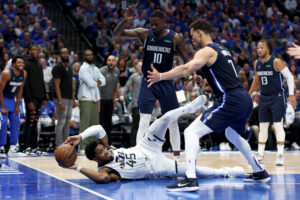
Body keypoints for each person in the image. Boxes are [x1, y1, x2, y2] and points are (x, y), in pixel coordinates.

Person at [147, 20, 269, 192]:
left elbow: (186, 69)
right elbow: (217, 72)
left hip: (230, 99)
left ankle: (190, 178)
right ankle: (259, 171)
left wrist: (160, 76)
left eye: (192, 36)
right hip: (243, 99)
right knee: (232, 134)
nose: (191, 40)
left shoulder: (206, 51)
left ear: (199, 32)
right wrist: (201, 76)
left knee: (190, 132)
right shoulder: (222, 49)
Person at [62, 95, 245, 183]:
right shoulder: (106, 170)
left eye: (103, 148)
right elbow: (101, 180)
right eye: (101, 152)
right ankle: (227, 172)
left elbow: (99, 128)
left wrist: (80, 135)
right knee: (193, 170)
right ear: (96, 159)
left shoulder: (106, 148)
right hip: (155, 168)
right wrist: (76, 167)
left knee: (163, 119)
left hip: (144, 148)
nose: (105, 151)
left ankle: (190, 106)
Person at [113, 7, 189, 158]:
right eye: (151, 24)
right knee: (144, 120)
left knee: (172, 121)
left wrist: (190, 76)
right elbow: (117, 34)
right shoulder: (145, 33)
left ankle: (177, 158)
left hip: (166, 81)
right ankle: (139, 156)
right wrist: (126, 21)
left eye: (156, 24)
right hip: (148, 82)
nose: (153, 27)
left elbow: (187, 61)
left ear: (164, 23)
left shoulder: (175, 38)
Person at [249, 39, 296, 166]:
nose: (259, 50)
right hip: (264, 97)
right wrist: (249, 94)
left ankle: (280, 154)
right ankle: (260, 154)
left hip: (277, 97)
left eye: (262, 48)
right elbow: (256, 80)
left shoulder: (276, 62)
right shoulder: (257, 63)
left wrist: (291, 94)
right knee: (263, 126)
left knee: (278, 125)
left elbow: (290, 77)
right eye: (258, 48)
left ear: (268, 49)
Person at [78, 50, 106, 149]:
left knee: (95, 125)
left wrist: (96, 81)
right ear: (84, 56)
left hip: (95, 98)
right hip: (86, 98)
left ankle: (93, 147)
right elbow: (90, 84)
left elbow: (104, 81)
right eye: (87, 55)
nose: (90, 56)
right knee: (85, 124)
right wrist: (97, 81)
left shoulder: (96, 68)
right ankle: (83, 146)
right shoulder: (83, 68)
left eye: (91, 55)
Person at [0, 56, 27, 157]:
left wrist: (17, 105)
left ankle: (12, 149)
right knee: (2, 123)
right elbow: (0, 90)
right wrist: (2, 106)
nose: (21, 65)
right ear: (13, 64)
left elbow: (20, 90)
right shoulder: (7, 73)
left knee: (16, 123)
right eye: (19, 63)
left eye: (23, 63)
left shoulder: (24, 74)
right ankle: (1, 148)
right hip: (2, 99)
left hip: (12, 100)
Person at [23, 45, 47, 156]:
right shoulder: (26, 63)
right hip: (31, 97)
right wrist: (28, 100)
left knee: (35, 122)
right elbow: (25, 83)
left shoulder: (38, 63)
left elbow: (42, 81)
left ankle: (34, 147)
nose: (36, 52)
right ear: (29, 51)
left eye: (37, 50)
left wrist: (44, 97)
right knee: (30, 121)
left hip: (39, 97)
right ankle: (26, 147)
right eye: (33, 50)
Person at [52, 48, 75, 147]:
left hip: (69, 98)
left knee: (67, 121)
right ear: (60, 55)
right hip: (61, 98)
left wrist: (73, 99)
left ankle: (66, 143)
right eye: (63, 53)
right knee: (61, 121)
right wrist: (60, 101)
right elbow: (56, 85)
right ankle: (58, 144)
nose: (65, 55)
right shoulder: (57, 67)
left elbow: (70, 85)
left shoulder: (69, 68)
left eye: (66, 53)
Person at [120, 60, 142, 146]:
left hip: (146, 105)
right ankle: (133, 145)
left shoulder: (148, 76)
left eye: (142, 65)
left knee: (145, 126)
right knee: (136, 125)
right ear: (137, 67)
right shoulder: (133, 76)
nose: (141, 67)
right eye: (139, 65)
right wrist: (122, 94)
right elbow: (127, 86)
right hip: (136, 104)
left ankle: (142, 144)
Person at [99, 55, 120, 145]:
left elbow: (115, 88)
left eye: (113, 60)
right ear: (107, 62)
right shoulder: (102, 71)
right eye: (109, 60)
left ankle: (108, 143)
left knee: (108, 123)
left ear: (115, 62)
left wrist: (114, 101)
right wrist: (98, 104)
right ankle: (100, 143)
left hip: (110, 100)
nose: (111, 62)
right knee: (101, 123)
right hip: (101, 100)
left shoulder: (117, 71)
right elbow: (98, 89)